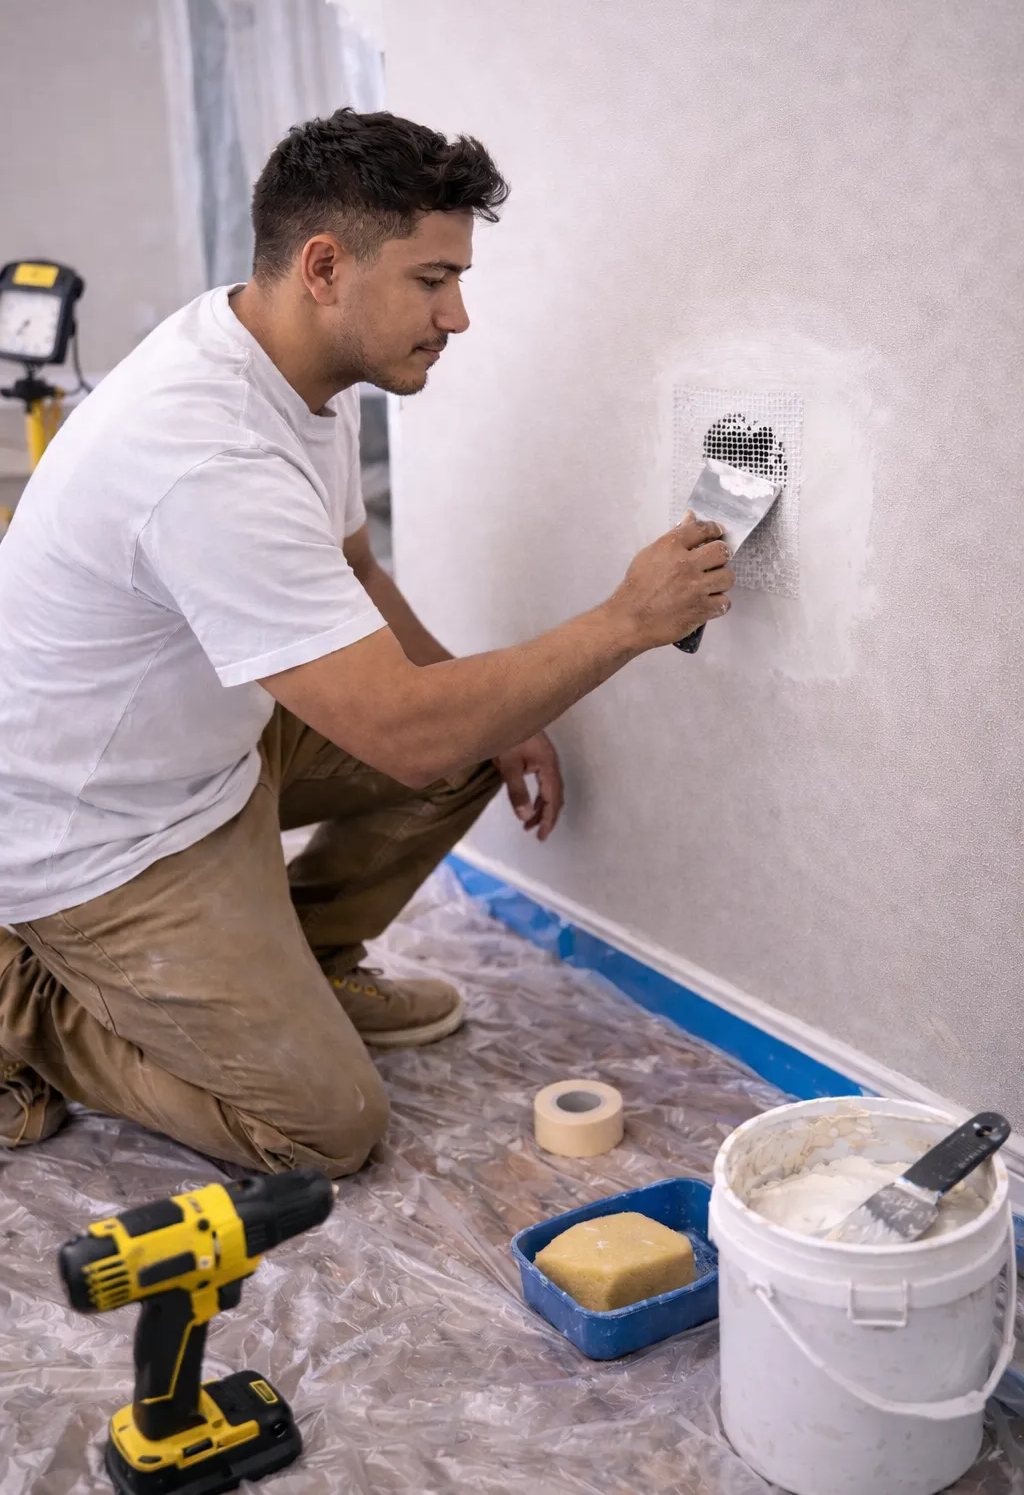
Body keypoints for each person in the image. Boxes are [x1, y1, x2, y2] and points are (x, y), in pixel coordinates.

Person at [0, 109, 733, 1177]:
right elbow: (401, 736)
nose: (460, 316)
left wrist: (499, 716)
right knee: (323, 1128)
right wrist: (624, 622)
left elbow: (354, 569)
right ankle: (25, 1001)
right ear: (326, 265)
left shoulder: (297, 366)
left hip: (204, 749)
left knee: (477, 728)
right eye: (432, 281)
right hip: (96, 833)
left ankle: (311, 962)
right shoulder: (203, 453)